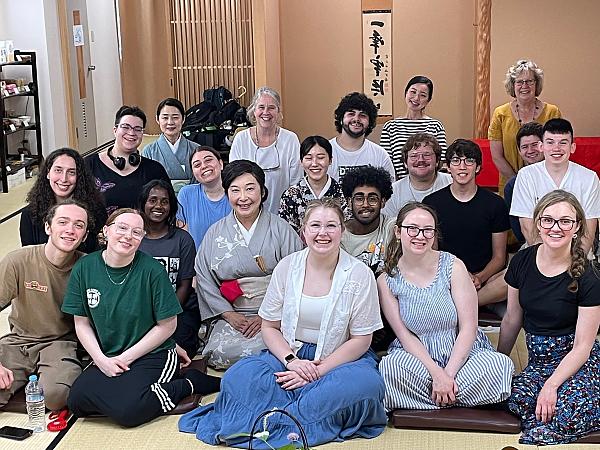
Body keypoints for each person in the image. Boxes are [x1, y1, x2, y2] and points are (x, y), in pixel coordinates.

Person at [179, 199, 387, 448]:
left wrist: (318, 372)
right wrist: (293, 362)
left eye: (331, 226)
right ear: (303, 231)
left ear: (342, 230)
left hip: (339, 360)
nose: (323, 233)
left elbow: (361, 340)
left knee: (365, 385)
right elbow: (269, 327)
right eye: (316, 225)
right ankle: (297, 417)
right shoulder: (288, 267)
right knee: (238, 376)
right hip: (288, 355)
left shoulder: (359, 273)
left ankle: (272, 421)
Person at [62, 208, 220, 427]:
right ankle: (130, 389)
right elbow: (81, 322)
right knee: (77, 401)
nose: (128, 236)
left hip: (153, 353)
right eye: (122, 228)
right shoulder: (85, 267)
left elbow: (167, 325)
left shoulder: (152, 271)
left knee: (129, 412)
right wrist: (100, 360)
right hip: (109, 353)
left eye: (137, 232)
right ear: (106, 231)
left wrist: (126, 358)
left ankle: (188, 384)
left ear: (142, 239)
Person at [378, 202, 513, 411]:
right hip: (419, 358)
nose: (420, 236)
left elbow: (469, 327)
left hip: (462, 355)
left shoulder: (453, 265)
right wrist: (436, 374)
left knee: (499, 366)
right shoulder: (387, 279)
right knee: (390, 368)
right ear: (398, 231)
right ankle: (454, 398)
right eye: (412, 228)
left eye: (427, 230)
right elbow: (404, 336)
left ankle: (434, 398)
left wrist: (448, 375)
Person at [498, 190, 600, 445]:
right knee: (514, 401)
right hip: (539, 362)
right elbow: (512, 318)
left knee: (567, 411)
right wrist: (499, 363)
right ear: (538, 224)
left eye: (565, 221)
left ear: (576, 227)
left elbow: (583, 347)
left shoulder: (589, 276)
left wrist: (552, 385)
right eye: (548, 220)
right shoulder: (522, 260)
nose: (556, 228)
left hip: (576, 361)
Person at [195, 160, 303, 369]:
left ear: (262, 192)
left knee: (280, 347)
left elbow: (298, 276)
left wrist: (267, 316)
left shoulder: (281, 229)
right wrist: (228, 314)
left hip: (275, 314)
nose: (243, 197)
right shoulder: (215, 233)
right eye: (235, 190)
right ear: (227, 194)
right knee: (219, 353)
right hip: (233, 313)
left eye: (250, 188)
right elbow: (204, 277)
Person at [1, 200, 90, 410]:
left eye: (79, 225)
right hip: (18, 341)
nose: (70, 230)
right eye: (63, 222)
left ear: (85, 235)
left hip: (60, 344)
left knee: (55, 396)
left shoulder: (88, 267)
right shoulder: (18, 261)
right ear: (48, 227)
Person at [424, 139, 509, 290]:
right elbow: (432, 252)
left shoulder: (495, 204)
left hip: (485, 279)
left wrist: (478, 278)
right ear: (448, 167)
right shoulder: (432, 203)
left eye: (469, 161)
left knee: (510, 281)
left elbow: (499, 258)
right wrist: (457, 276)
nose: (462, 167)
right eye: (456, 161)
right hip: (445, 278)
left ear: (478, 167)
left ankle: (472, 302)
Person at [511, 118, 600, 254]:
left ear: (572, 147)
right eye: (550, 142)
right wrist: (547, 261)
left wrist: (574, 262)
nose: (556, 148)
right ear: (541, 146)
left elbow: (588, 230)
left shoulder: (589, 178)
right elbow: (527, 227)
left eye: (563, 143)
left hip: (578, 256)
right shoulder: (526, 175)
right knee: (503, 276)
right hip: (537, 253)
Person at [137, 179, 200, 359]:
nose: (159, 206)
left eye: (165, 201)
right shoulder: (133, 238)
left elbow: (185, 285)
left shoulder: (183, 239)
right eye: (153, 200)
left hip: (177, 310)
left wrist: (164, 315)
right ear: (143, 204)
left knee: (175, 352)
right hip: (139, 312)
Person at [489, 60, 561, 194]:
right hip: (511, 185)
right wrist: (518, 182)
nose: (524, 86)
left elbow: (556, 149)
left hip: (546, 184)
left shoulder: (552, 112)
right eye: (519, 82)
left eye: (529, 81)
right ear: (513, 85)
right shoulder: (500, 114)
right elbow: (497, 156)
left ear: (536, 84)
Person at [229, 87, 303, 213]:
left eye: (271, 108)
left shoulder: (291, 139)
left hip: (284, 213)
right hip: (248, 212)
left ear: (278, 111)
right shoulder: (241, 139)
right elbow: (234, 179)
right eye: (261, 107)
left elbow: (296, 182)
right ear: (253, 111)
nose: (266, 112)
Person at [86, 105, 170, 215]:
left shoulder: (154, 169)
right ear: (115, 130)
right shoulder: (90, 164)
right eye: (125, 127)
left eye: (137, 129)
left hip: (142, 231)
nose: (131, 133)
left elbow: (169, 205)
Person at [20, 147, 107, 253]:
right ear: (48, 173)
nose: (64, 179)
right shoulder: (29, 214)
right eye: (58, 170)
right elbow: (29, 255)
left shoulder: (96, 210)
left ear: (79, 176)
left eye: (71, 172)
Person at [380, 76, 447, 179]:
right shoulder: (390, 126)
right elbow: (385, 163)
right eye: (413, 92)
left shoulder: (435, 126)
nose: (416, 98)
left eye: (423, 95)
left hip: (430, 185)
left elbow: (441, 161)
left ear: (428, 100)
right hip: (399, 186)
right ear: (406, 93)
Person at [279, 135, 349, 234]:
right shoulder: (291, 195)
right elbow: (286, 234)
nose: (315, 163)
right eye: (308, 158)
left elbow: (348, 230)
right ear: (301, 162)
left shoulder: (342, 192)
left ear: (330, 160)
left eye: (320, 157)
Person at [328, 92, 395, 183]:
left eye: (362, 115)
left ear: (369, 123)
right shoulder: (325, 151)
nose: (356, 119)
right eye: (351, 114)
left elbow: (390, 193)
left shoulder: (380, 156)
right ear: (341, 119)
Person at [381, 133, 451, 219]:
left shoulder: (452, 183)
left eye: (427, 155)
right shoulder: (392, 192)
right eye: (414, 156)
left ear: (437, 160)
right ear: (405, 163)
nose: (421, 160)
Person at [341, 165, 395, 274]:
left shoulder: (392, 228)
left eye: (372, 199)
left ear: (383, 202)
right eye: (359, 199)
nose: (365, 204)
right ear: (349, 202)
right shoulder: (339, 234)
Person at [176, 146, 231, 249]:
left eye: (208, 160)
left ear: (221, 163)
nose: (204, 166)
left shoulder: (235, 192)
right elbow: (182, 235)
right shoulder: (186, 194)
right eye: (197, 165)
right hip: (197, 261)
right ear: (193, 173)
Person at [142, 97, 199, 192]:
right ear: (157, 119)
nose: (170, 122)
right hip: (160, 202)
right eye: (165, 117)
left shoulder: (196, 149)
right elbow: (147, 185)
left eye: (175, 117)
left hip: (190, 199)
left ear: (183, 119)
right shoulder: (149, 151)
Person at [504, 122, 544, 244]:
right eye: (525, 147)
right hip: (531, 243)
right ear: (519, 151)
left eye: (535, 145)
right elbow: (519, 231)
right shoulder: (513, 185)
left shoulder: (563, 175)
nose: (530, 150)